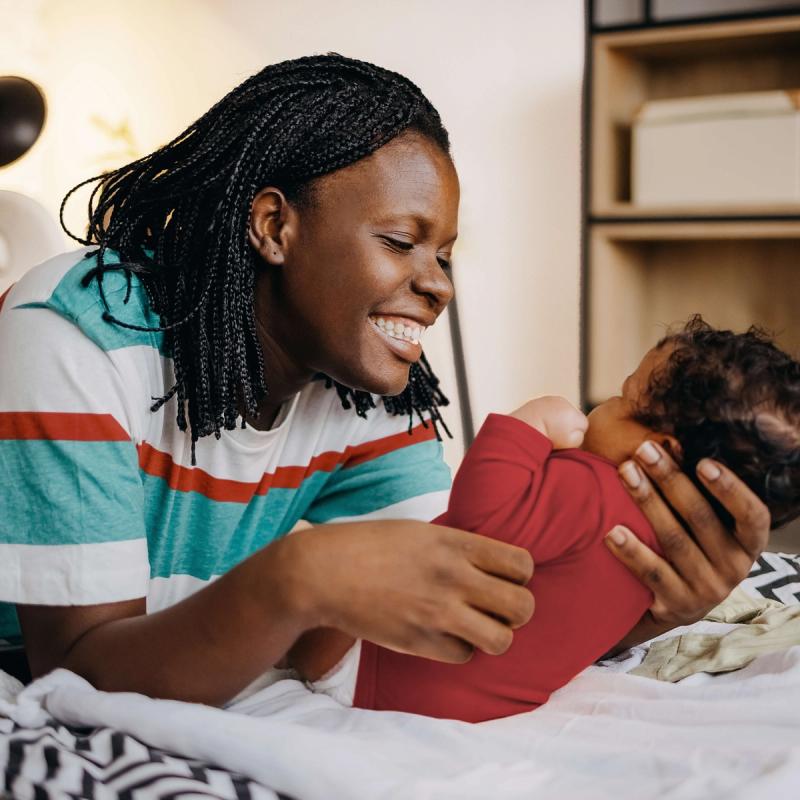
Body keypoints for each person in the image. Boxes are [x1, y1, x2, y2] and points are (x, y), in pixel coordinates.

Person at [0, 55, 770, 706]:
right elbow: (73, 676)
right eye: (402, 241)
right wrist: (297, 578)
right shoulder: (78, 337)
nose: (437, 286)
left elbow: (478, 609)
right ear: (273, 227)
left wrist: (651, 601)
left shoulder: (363, 381)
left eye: (443, 257)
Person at [287, 317, 800, 721]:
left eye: (622, 398)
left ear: (655, 450)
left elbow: (481, 527)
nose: (600, 406)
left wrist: (524, 427)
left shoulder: (595, 490)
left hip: (380, 666)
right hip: (477, 702)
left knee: (307, 587)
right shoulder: (661, 554)